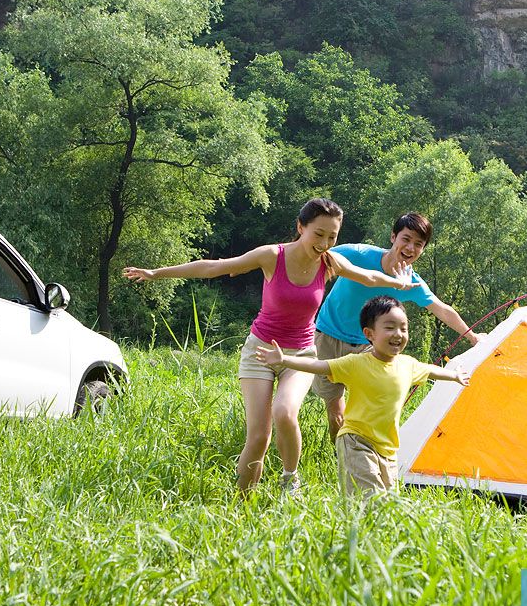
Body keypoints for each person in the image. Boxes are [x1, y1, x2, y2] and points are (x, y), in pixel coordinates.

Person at [122, 198, 413, 494]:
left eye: (332, 236)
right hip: (260, 350)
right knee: (259, 436)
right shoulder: (272, 255)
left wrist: (399, 283)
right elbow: (214, 267)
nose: (325, 243)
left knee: (285, 411)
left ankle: (290, 480)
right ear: (300, 227)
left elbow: (369, 276)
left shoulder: (329, 262)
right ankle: (242, 501)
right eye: (319, 234)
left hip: (300, 353)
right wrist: (156, 273)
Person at [256, 296, 469, 498]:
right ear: (370, 334)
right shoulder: (356, 363)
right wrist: (285, 360)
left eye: (403, 328)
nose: (398, 334)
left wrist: (454, 375)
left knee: (388, 502)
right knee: (369, 499)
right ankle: (353, 533)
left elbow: (431, 371)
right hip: (356, 441)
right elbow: (319, 365)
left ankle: (370, 533)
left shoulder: (408, 364)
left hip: (388, 448)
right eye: (389, 327)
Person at [312, 212, 481, 441]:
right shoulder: (360, 254)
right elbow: (319, 253)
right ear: (393, 237)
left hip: (368, 346)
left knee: (372, 406)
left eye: (418, 244)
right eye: (406, 239)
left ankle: (367, 451)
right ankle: (339, 456)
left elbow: (442, 309)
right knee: (335, 410)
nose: (410, 248)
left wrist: (472, 337)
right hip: (328, 334)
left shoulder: (412, 284)